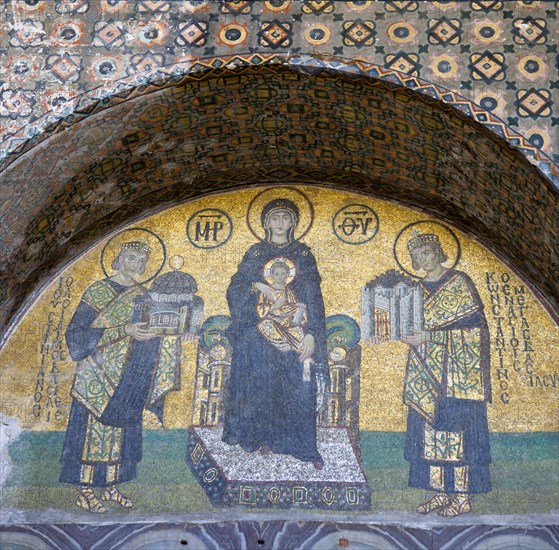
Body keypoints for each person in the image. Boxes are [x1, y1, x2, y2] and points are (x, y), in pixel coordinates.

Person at [60, 241, 182, 513]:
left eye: (141, 261)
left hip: (129, 376)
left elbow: (155, 328)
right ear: (116, 259)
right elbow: (77, 336)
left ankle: (111, 485)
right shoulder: (98, 291)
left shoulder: (144, 294)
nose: (135, 264)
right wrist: (124, 329)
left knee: (120, 433)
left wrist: (167, 336)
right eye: (130, 257)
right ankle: (85, 490)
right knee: (94, 433)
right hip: (98, 376)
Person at [222, 199, 328, 468]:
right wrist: (257, 285)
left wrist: (312, 333)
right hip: (258, 332)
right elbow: (236, 288)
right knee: (257, 373)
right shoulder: (256, 253)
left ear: (293, 223)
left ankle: (297, 444)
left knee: (298, 378)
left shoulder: (303, 255)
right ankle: (257, 437)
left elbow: (313, 298)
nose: (280, 223)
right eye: (275, 218)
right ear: (265, 223)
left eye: (285, 217)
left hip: (295, 330)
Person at [401, 232, 491, 517]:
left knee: (457, 435)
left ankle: (461, 496)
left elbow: (477, 331)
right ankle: (440, 493)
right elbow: (409, 324)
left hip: (457, 375)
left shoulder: (459, 283)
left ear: (438, 252)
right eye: (416, 257)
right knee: (431, 434)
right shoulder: (414, 289)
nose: (422, 260)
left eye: (426, 253)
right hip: (425, 371)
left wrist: (431, 337)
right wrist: (408, 336)